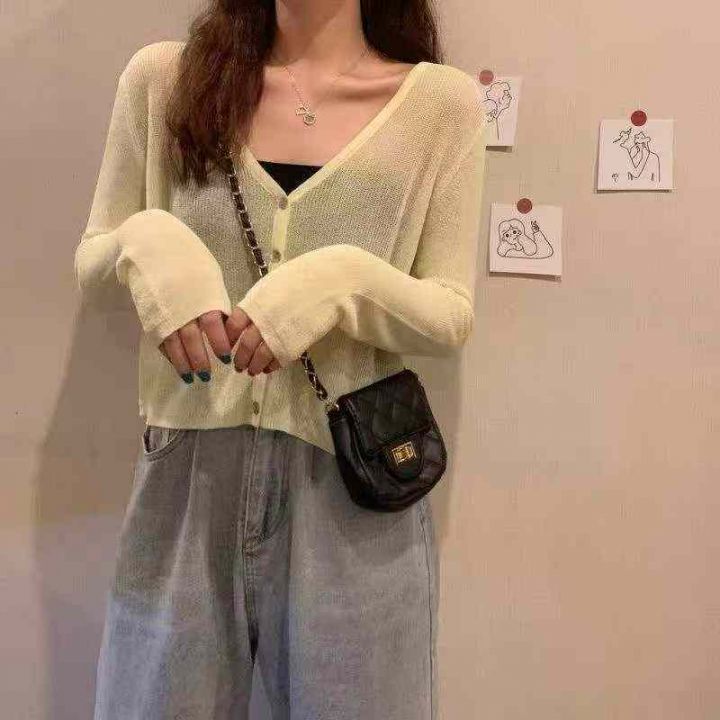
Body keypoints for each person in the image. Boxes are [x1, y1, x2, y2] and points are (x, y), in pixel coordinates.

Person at [74, 0, 490, 717]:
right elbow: (94, 258)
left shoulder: (440, 106)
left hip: (354, 489)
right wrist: (146, 240)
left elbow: (450, 310)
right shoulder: (164, 81)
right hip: (186, 476)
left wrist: (344, 281)